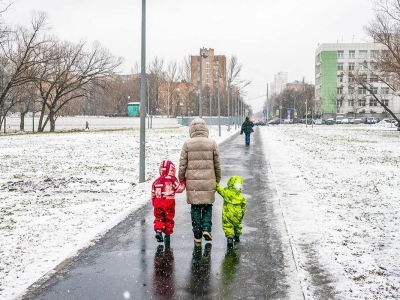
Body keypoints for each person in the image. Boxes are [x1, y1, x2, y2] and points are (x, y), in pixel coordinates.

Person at [179, 118, 221, 243]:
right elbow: (217, 164)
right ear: (205, 129)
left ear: (191, 130)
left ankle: (197, 235)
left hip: (193, 184)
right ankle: (207, 228)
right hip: (209, 181)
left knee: (195, 208)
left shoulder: (187, 144)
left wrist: (181, 179)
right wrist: (217, 179)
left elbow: (182, 164)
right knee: (208, 206)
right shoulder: (212, 143)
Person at [151, 159, 185, 243]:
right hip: (169, 202)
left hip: (158, 202)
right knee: (169, 218)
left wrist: (154, 203)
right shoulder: (172, 180)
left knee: (159, 218)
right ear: (172, 170)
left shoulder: (156, 181)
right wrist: (184, 183)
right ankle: (167, 234)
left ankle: (158, 231)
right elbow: (179, 189)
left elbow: (153, 194)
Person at [216, 175, 247, 247]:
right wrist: (242, 213)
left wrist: (215, 184)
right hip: (237, 214)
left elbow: (219, 190)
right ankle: (237, 236)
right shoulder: (240, 196)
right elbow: (244, 206)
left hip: (228, 212)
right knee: (237, 225)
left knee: (228, 225)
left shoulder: (226, 192)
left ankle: (230, 238)